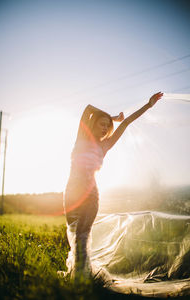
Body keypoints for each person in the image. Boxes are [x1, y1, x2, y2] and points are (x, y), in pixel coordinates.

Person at [63, 92, 163, 280]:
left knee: (82, 238)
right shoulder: (81, 138)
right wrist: (112, 117)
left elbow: (127, 123)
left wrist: (148, 105)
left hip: (91, 196)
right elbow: (88, 109)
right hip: (70, 194)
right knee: (74, 235)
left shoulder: (105, 145)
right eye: (102, 124)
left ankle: (80, 279)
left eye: (107, 127)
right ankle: (79, 275)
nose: (105, 128)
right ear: (92, 124)